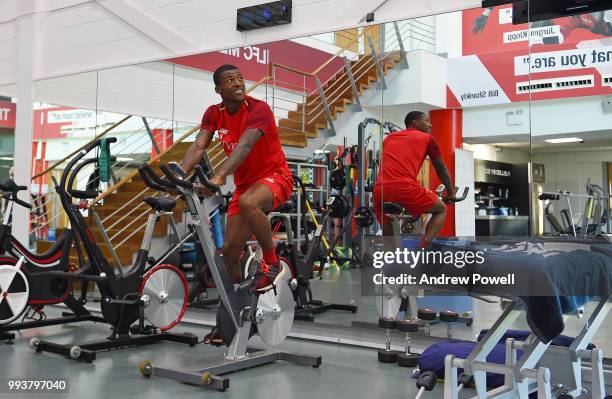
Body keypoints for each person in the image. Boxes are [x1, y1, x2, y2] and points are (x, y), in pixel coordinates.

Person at [177, 64, 293, 296]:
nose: (238, 83)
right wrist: (178, 173)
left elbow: (245, 145)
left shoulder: (259, 109)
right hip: (245, 186)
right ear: (218, 89)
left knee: (249, 203)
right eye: (230, 80)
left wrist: (219, 175)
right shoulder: (214, 113)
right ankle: (237, 302)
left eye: (240, 78)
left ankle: (271, 261)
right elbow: (200, 145)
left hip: (275, 177)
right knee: (229, 253)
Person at [372, 111, 456, 249]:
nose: (430, 124)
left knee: (385, 218)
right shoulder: (427, 138)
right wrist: (451, 192)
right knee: (441, 209)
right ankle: (421, 249)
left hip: (380, 190)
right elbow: (441, 169)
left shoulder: (389, 138)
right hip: (405, 188)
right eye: (427, 121)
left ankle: (391, 256)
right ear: (415, 122)